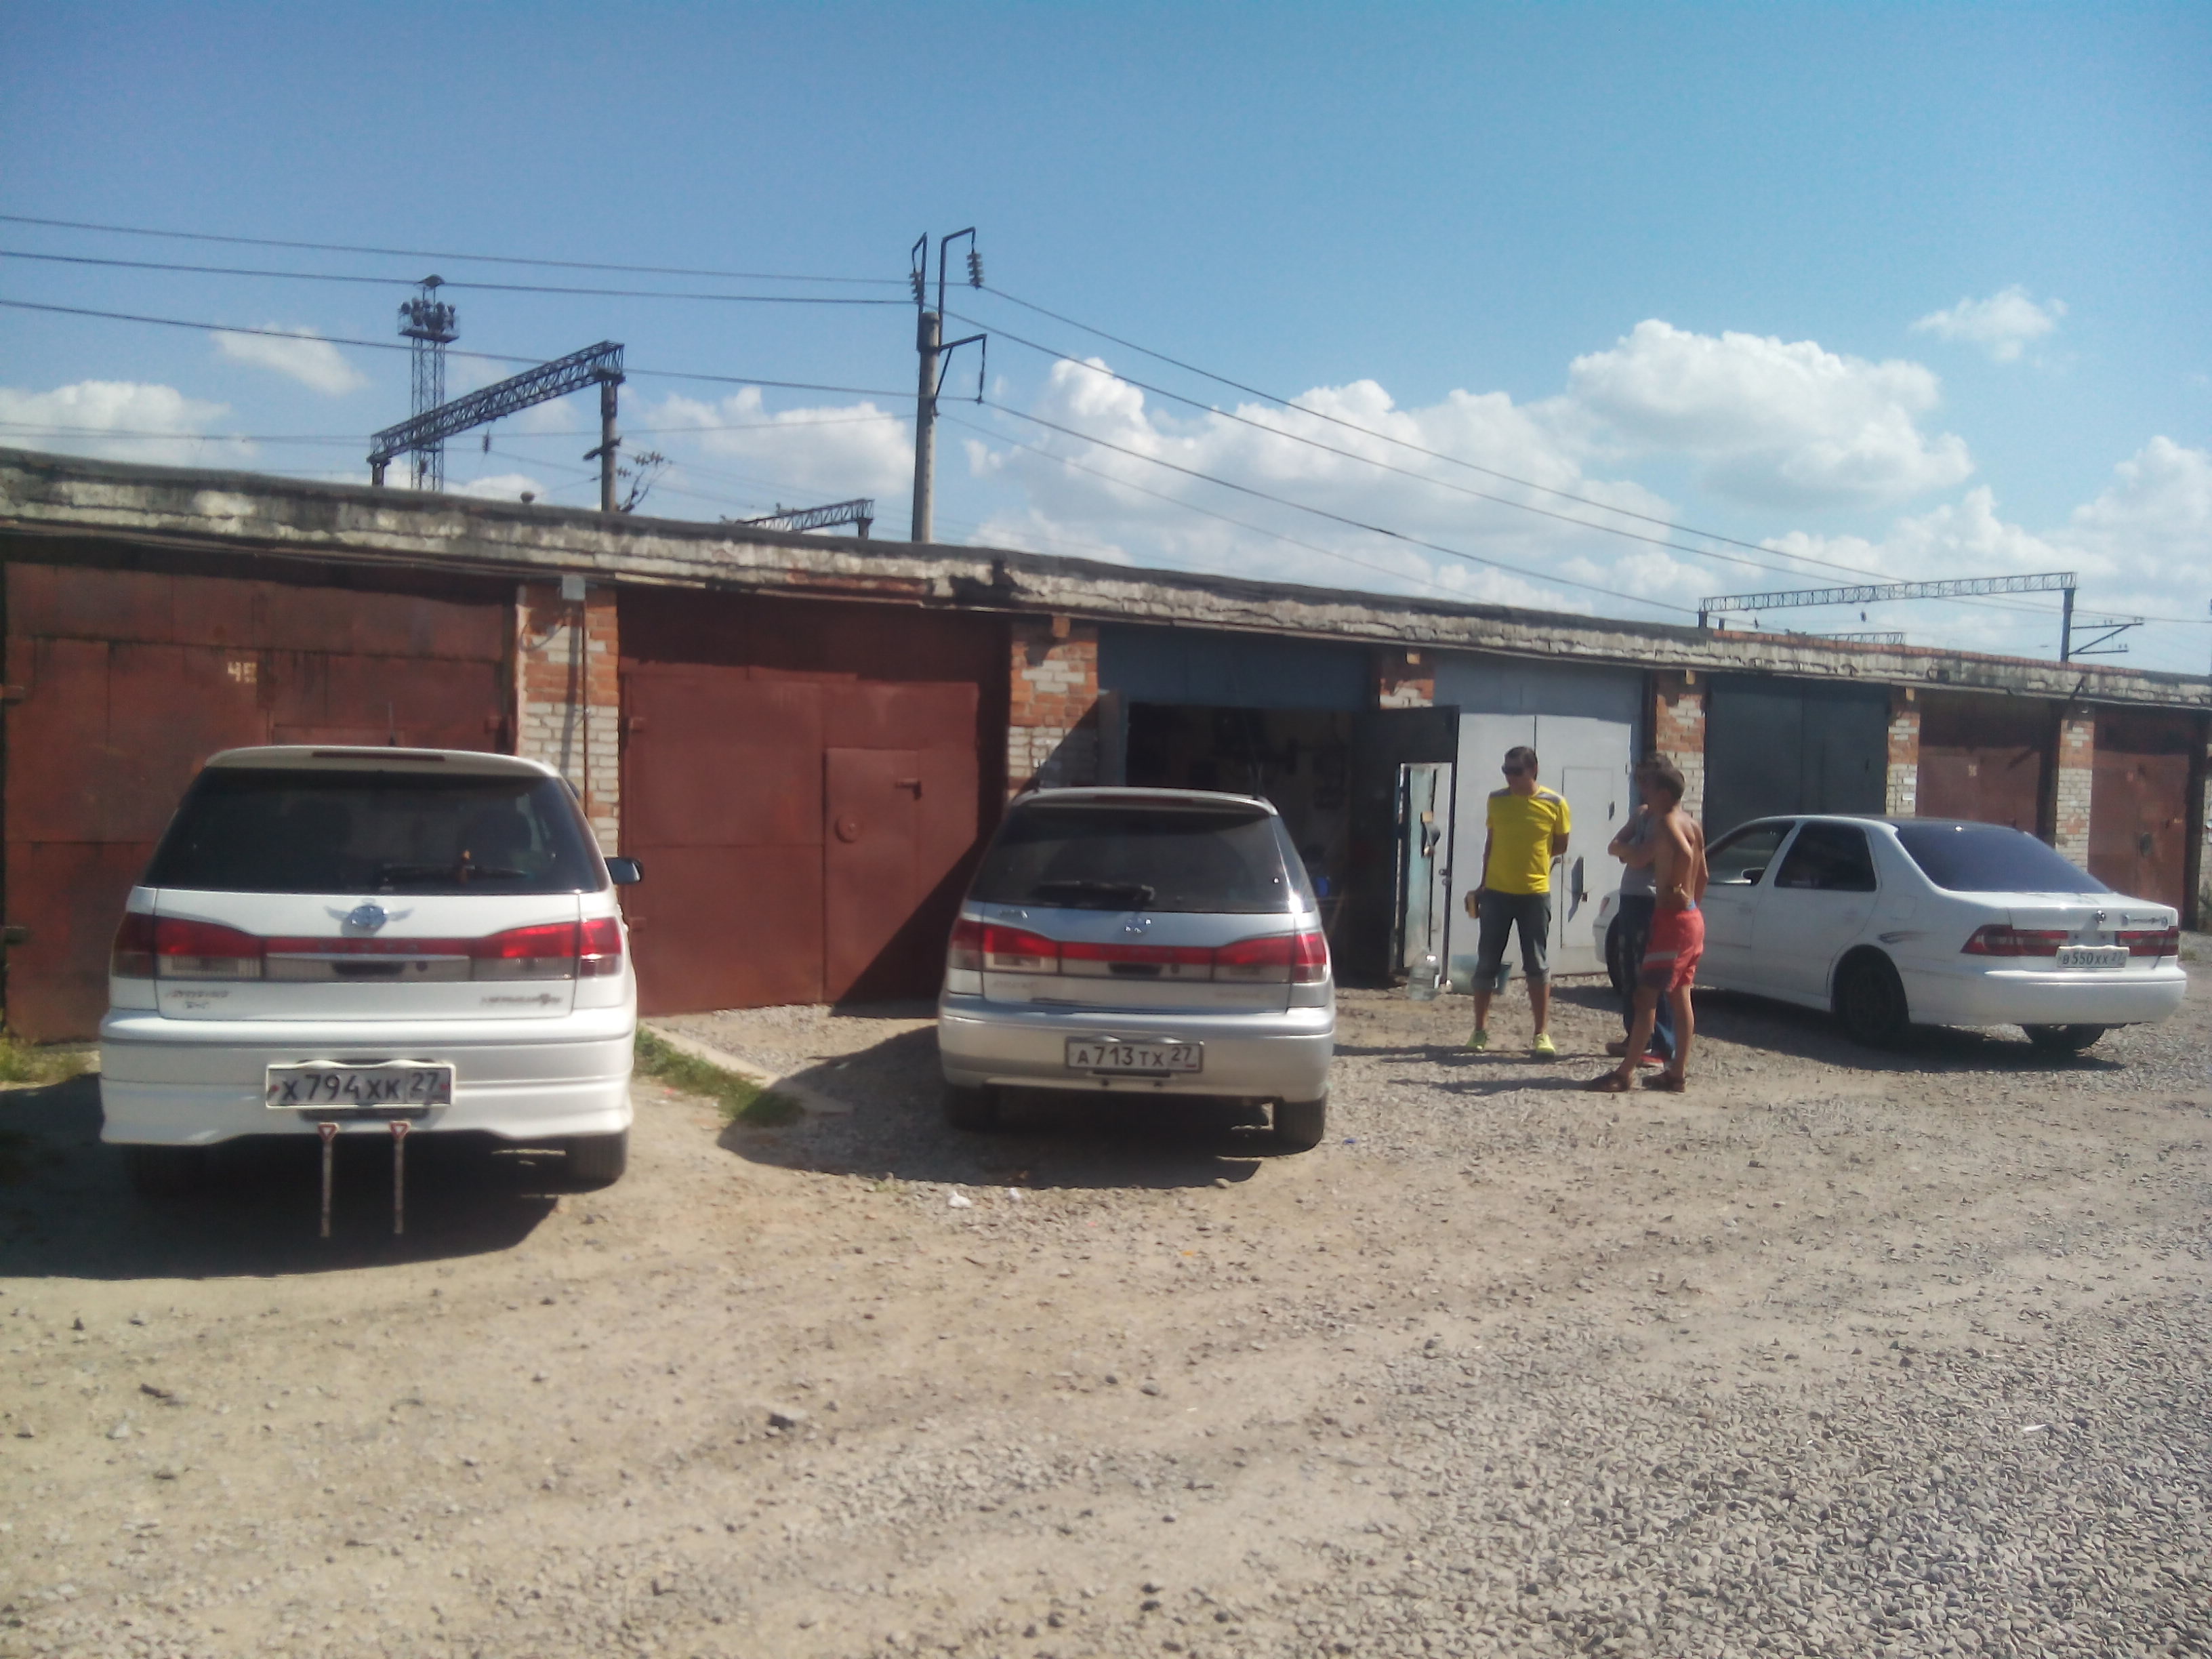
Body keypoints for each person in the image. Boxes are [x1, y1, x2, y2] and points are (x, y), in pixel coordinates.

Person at [1586, 759, 1705, 1092]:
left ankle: (1625, 1073)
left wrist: (1675, 889)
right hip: (1691, 919)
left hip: (1672, 920)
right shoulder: (1692, 822)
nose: (1644, 794)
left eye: (1649, 788)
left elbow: (1684, 855)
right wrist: (1692, 902)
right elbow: (1704, 872)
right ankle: (1676, 1073)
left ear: (1664, 793)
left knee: (1646, 995)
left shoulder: (1666, 821)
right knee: (1680, 995)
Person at [1463, 745, 1570, 1059]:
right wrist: (1483, 884)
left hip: (1535, 894)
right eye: (1506, 771)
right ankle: (1479, 1030)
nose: (1509, 777)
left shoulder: (1555, 803)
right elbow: (1491, 843)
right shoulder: (1497, 800)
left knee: (1537, 964)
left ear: (1533, 770)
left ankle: (1541, 1033)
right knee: (1487, 963)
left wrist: (1533, 863)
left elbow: (1560, 845)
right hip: (1496, 893)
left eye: (1516, 771)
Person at [1605, 762, 1678, 1068]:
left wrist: (1630, 852)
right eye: (1638, 781)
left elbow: (1638, 858)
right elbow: (1614, 846)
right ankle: (1636, 1035)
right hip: (1630, 898)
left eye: (1646, 782)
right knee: (1629, 972)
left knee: (1652, 975)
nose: (1641, 788)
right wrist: (1629, 851)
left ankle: (1662, 1043)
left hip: (1651, 901)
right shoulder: (1641, 815)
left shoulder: (1666, 821)